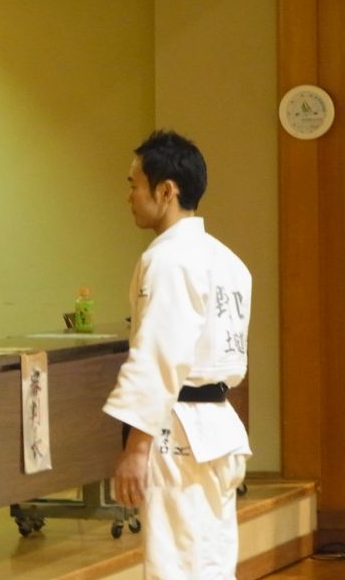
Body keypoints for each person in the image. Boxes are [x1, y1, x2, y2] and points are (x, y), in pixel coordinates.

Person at [103, 130, 252, 579]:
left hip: (179, 433)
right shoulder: (228, 260)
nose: (128, 196)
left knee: (174, 567)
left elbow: (159, 354)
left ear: (166, 191)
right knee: (210, 564)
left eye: (134, 184)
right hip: (219, 429)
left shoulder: (169, 260)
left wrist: (137, 446)